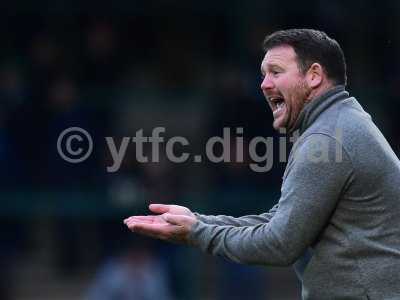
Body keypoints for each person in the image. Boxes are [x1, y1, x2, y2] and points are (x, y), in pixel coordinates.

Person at [124, 29, 400, 299]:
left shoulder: (327, 139)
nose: (264, 84)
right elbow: (279, 220)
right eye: (263, 74)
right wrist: (197, 221)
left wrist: (196, 233)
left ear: (314, 76)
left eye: (276, 72)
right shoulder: (341, 120)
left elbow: (279, 244)